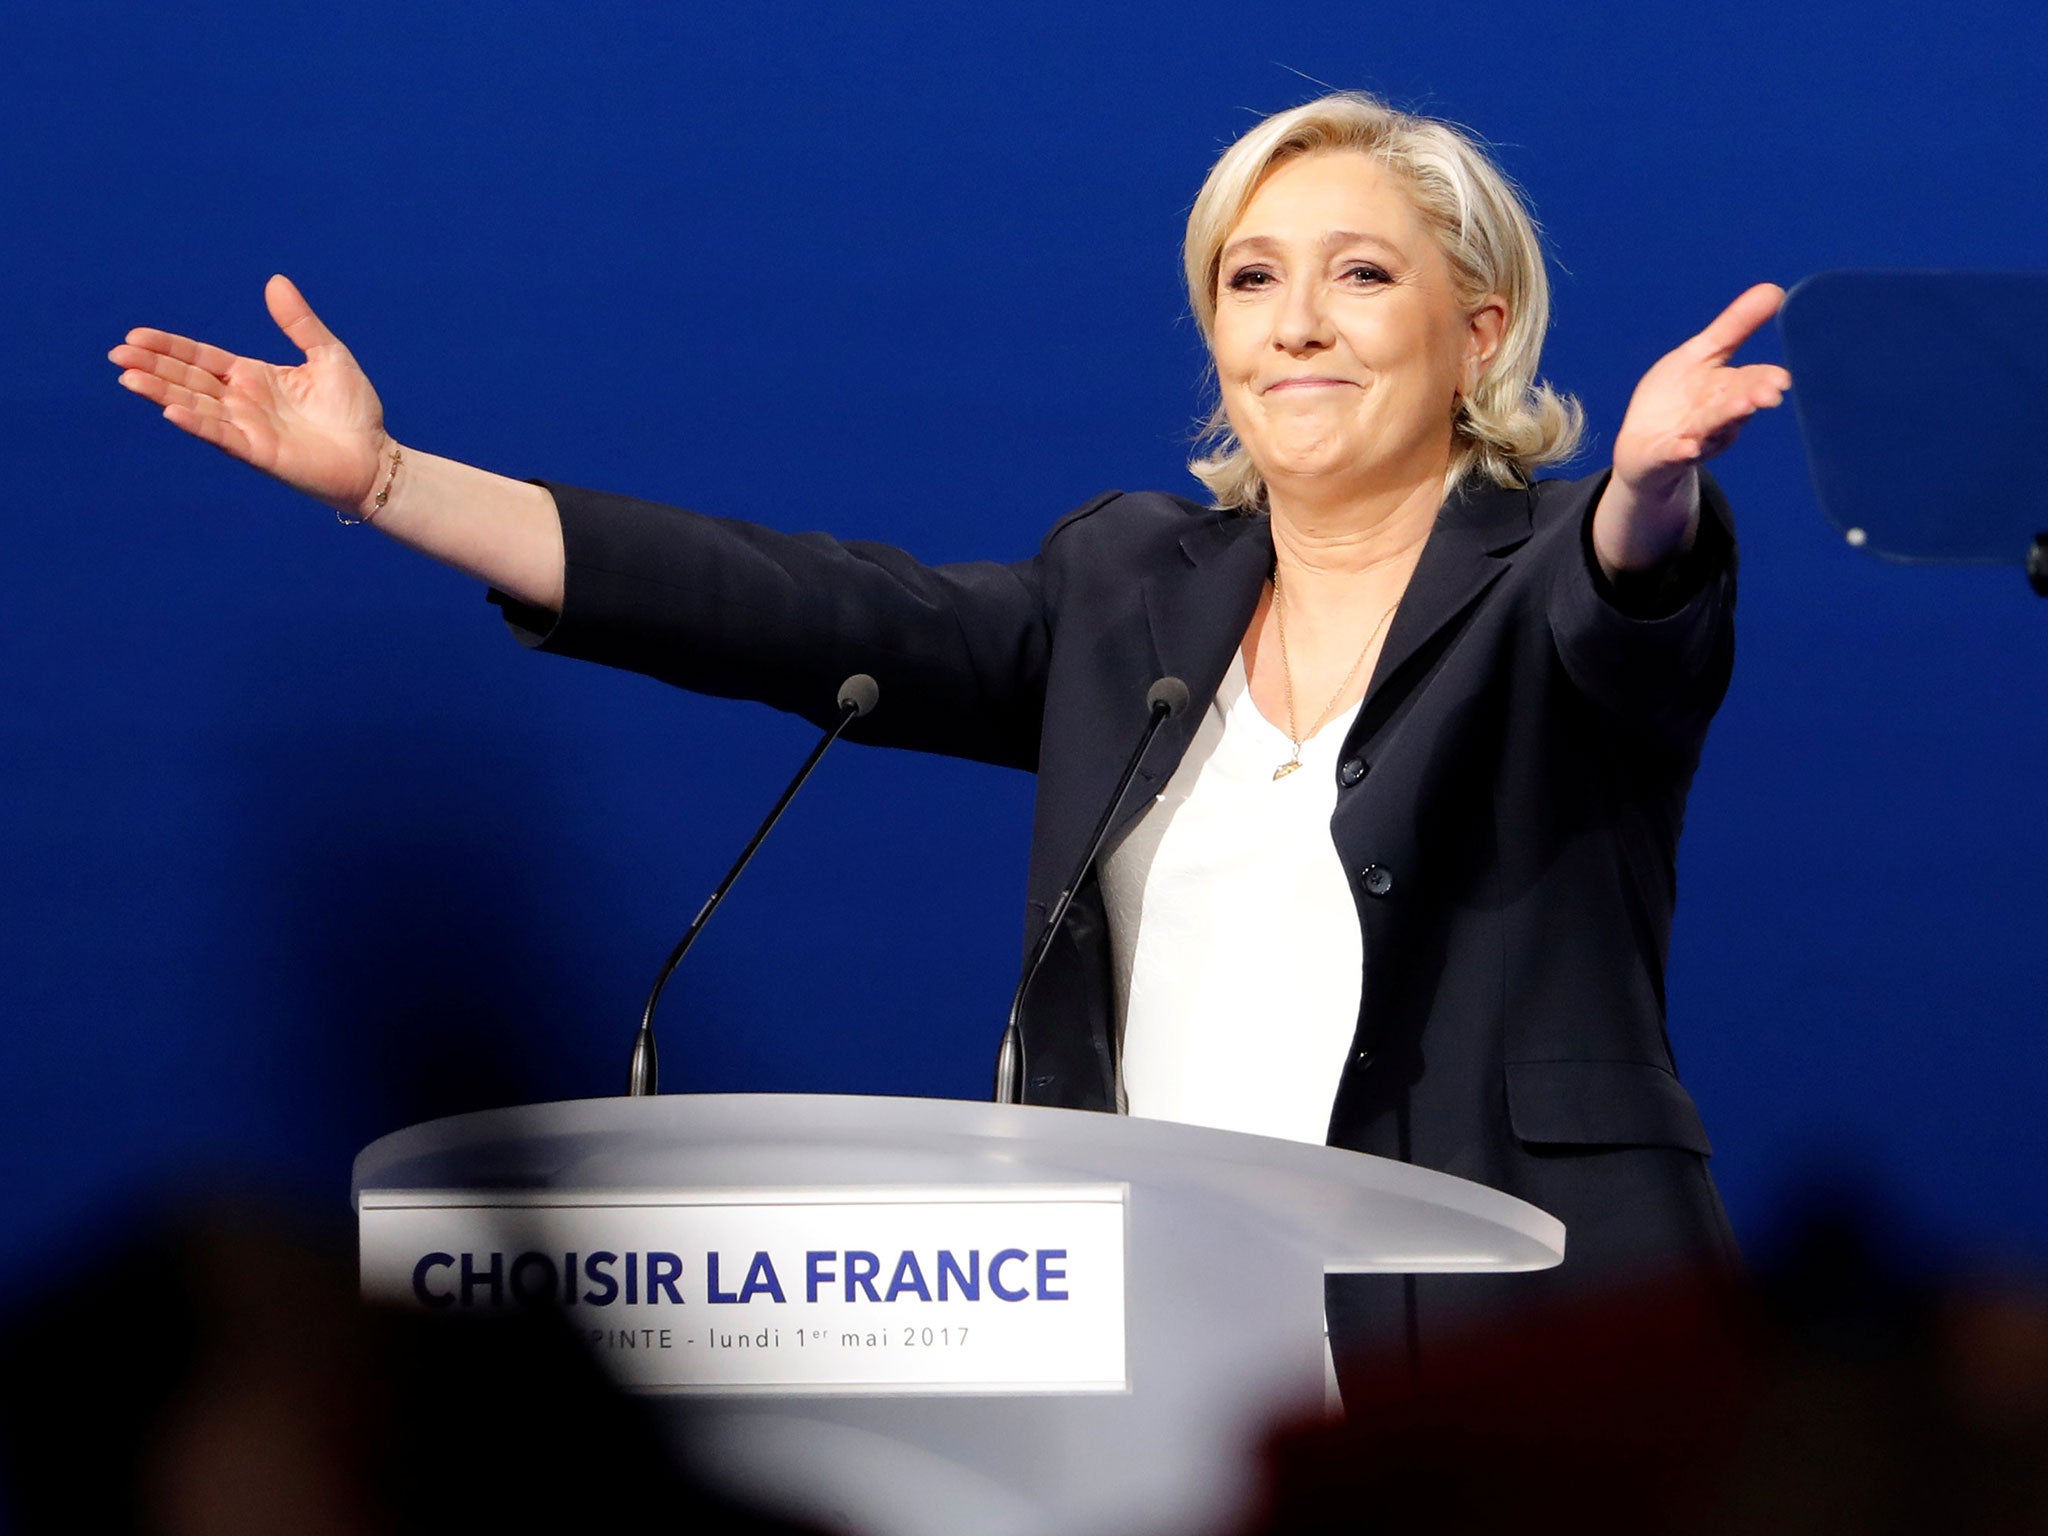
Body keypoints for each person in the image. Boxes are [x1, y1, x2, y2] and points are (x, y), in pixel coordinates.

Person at [109, 91, 1790, 1376]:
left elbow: (1624, 611)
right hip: (1171, 1356)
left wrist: (1645, 494)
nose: (1296, 322)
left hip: (1538, 1334)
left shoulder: (1545, 583)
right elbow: (799, 609)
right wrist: (397, 486)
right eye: (1251, 278)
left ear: (1478, 330)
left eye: (1362, 275)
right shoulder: (1131, 592)